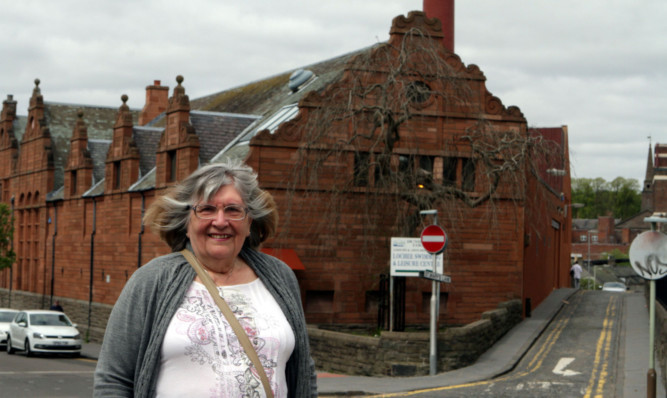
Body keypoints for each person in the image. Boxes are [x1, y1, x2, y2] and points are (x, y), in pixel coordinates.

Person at [94, 159, 317, 398]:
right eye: (206, 209)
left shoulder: (279, 276)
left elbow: (304, 371)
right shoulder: (152, 281)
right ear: (186, 222)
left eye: (233, 210)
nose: (220, 222)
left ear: (249, 221)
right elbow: (113, 381)